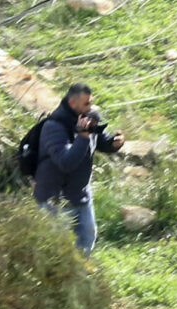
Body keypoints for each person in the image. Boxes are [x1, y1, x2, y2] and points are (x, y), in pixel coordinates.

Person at [33, 83, 125, 254]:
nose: (90, 107)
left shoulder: (87, 118)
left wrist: (114, 143)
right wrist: (82, 137)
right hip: (56, 199)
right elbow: (66, 162)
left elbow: (100, 139)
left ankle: (81, 275)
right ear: (73, 103)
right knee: (57, 249)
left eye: (90, 103)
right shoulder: (54, 127)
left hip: (80, 194)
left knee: (87, 238)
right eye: (86, 104)